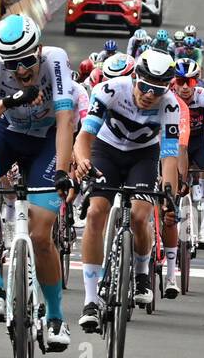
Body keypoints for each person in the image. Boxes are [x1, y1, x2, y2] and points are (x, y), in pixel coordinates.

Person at [0, 14, 74, 350]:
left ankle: (55, 316)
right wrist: (6, 102)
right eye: (11, 64)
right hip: (8, 134)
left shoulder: (55, 61)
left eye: (25, 61)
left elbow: (65, 120)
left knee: (39, 233)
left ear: (37, 50)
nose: (20, 71)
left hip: (47, 141)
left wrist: (63, 170)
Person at [74, 50, 181, 330]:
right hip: (105, 151)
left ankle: (142, 273)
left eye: (156, 91)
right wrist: (84, 160)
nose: (148, 95)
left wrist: (169, 196)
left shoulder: (170, 106)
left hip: (143, 157)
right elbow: (84, 136)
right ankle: (90, 300)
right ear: (134, 78)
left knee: (139, 215)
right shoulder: (110, 90)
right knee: (96, 213)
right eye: (144, 87)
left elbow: (169, 157)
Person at [172, 58, 204, 264]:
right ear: (173, 81)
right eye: (180, 81)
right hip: (176, 141)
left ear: (197, 82)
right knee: (171, 182)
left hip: (198, 140)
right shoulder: (168, 96)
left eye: (189, 82)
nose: (184, 87)